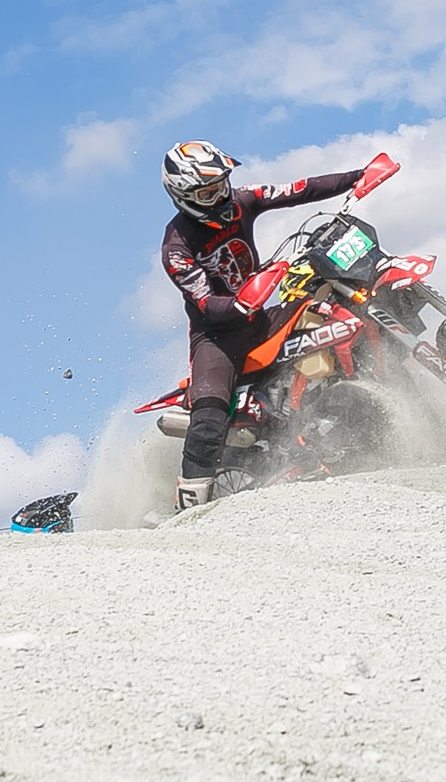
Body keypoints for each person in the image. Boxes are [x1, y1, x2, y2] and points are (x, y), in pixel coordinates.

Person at [159, 141, 373, 510]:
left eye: (223, 183)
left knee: (330, 309)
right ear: (184, 196)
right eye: (210, 191)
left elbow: (299, 189)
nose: (222, 194)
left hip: (260, 318)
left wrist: (360, 176)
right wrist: (241, 302)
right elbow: (207, 305)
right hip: (217, 339)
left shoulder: (243, 199)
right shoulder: (177, 246)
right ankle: (189, 503)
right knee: (210, 412)